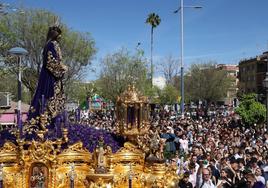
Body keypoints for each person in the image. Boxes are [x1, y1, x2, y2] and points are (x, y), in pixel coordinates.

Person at [26, 26, 68, 132]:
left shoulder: (53, 45)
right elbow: (50, 62)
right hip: (49, 77)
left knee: (56, 99)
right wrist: (62, 68)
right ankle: (48, 124)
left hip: (53, 77)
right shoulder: (50, 45)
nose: (61, 36)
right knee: (48, 97)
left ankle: (55, 123)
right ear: (54, 34)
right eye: (59, 34)